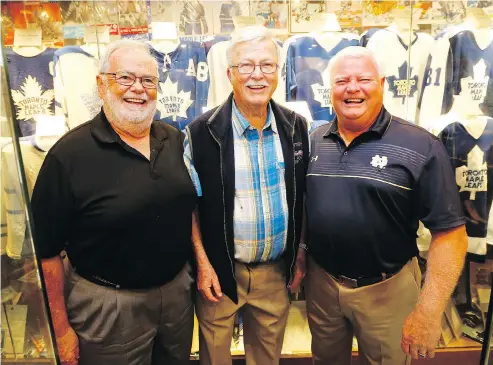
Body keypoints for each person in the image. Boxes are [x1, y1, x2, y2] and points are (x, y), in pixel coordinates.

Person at [31, 40, 197, 365]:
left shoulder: (174, 139)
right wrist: (60, 326)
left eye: (148, 80)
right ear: (101, 83)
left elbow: (188, 207)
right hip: (109, 307)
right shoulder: (68, 156)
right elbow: (46, 254)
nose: (138, 88)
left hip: (176, 296)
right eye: (125, 78)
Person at [303, 46, 468, 365]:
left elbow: (450, 235)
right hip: (322, 285)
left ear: (381, 84)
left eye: (363, 79)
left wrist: (428, 311)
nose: (352, 88)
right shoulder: (314, 140)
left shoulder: (420, 145)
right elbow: (307, 210)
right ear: (330, 89)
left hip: (387, 288)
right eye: (342, 81)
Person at [183, 25, 309, 365]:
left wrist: (299, 251)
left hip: (274, 272)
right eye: (246, 66)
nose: (257, 75)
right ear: (229, 73)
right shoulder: (200, 132)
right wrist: (204, 264)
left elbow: (300, 198)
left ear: (279, 72)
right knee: (215, 357)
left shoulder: (296, 127)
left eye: (267, 65)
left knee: (267, 358)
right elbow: (190, 207)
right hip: (221, 274)